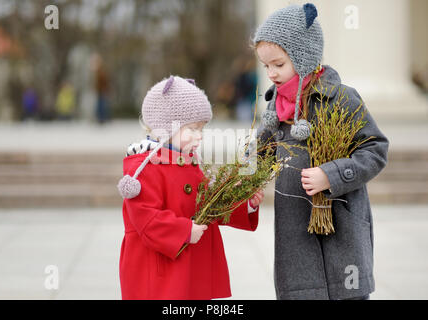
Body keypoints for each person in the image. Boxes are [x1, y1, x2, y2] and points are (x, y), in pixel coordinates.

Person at [253, 3, 389, 300]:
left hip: (343, 230)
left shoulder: (340, 98)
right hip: (296, 233)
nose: (271, 73)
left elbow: (375, 149)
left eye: (278, 64)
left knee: (348, 292)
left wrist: (332, 174)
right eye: (266, 66)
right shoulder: (275, 108)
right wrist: (250, 179)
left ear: (303, 57)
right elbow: (262, 155)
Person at [117, 76, 264, 300]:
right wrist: (183, 231)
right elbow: (145, 218)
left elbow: (209, 205)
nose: (199, 137)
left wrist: (245, 205)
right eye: (192, 129)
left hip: (190, 266)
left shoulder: (189, 161)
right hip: (160, 269)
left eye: (202, 129)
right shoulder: (144, 168)